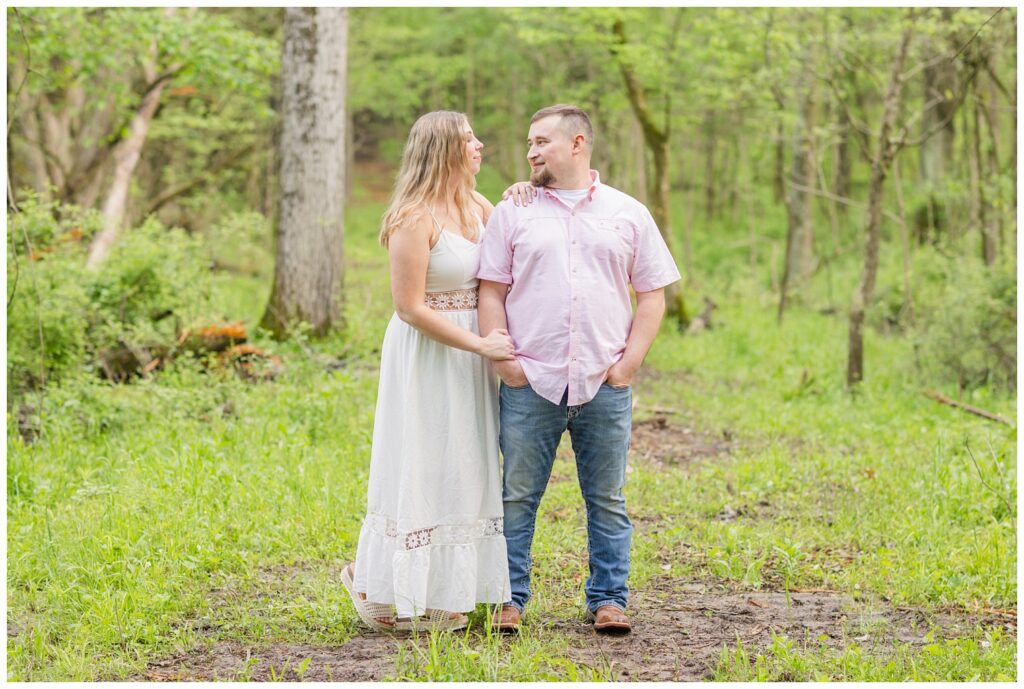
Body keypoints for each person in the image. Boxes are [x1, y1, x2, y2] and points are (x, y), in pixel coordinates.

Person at [478, 104, 681, 635]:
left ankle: (609, 600)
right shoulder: (514, 211)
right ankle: (509, 598)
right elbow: (491, 291)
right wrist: (507, 364)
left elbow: (653, 295)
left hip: (603, 382)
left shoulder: (628, 212)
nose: (530, 151)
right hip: (532, 381)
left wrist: (629, 364)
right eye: (529, 142)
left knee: (607, 498)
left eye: (541, 141)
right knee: (517, 496)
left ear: (578, 142)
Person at [342, 111, 514, 632]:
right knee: (423, 455)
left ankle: (449, 589)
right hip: (430, 352)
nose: (480, 145)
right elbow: (410, 308)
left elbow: (516, 234)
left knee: (464, 459)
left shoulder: (477, 204)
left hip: (473, 352)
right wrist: (481, 344)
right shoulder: (413, 218)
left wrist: (526, 192)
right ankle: (380, 584)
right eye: (470, 139)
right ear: (444, 150)